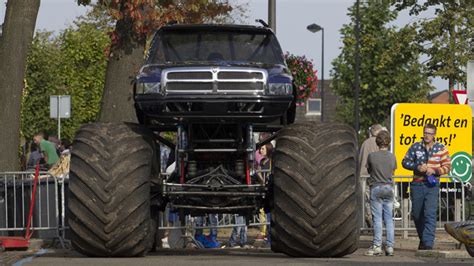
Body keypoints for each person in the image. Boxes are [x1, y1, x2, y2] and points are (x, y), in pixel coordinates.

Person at [402, 123, 451, 250]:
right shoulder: (415, 146)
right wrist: (417, 167)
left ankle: (428, 244)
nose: (426, 135)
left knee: (430, 213)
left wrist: (434, 170)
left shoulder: (441, 148)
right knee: (417, 214)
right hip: (417, 184)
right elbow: (405, 161)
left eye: (429, 133)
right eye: (425, 133)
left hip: (432, 185)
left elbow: (447, 166)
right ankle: (423, 239)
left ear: (434, 134)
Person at [364, 131, 397, 256]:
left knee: (377, 219)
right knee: (389, 219)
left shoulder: (372, 156)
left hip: (376, 187)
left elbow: (369, 169)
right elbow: (393, 171)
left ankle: (377, 246)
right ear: (389, 142)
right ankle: (389, 246)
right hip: (388, 187)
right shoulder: (392, 156)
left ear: (377, 142)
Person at [359, 124, 383, 227]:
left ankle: (368, 216)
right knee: (377, 199)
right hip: (376, 175)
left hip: (363, 175)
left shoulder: (365, 143)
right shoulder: (380, 144)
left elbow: (360, 159)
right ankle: (375, 221)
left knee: (367, 199)